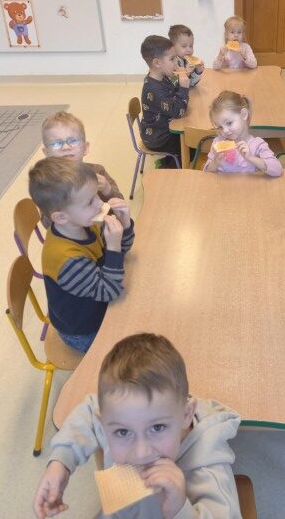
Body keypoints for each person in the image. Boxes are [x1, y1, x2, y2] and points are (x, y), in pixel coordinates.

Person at [33, 332, 242, 519]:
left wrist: (180, 511)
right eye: (123, 432)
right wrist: (61, 463)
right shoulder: (122, 413)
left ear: (186, 415)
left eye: (157, 428)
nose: (141, 453)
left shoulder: (208, 470)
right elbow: (89, 411)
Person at [28, 158, 134, 353]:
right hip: (83, 331)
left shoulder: (85, 223)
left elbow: (122, 253)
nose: (100, 203)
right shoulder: (66, 259)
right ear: (61, 217)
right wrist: (113, 248)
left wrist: (125, 225)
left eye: (97, 196)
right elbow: (109, 292)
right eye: (90, 201)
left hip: (101, 301)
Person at [42, 111, 123, 202]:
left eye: (73, 141)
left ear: (85, 148)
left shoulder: (98, 171)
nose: (66, 147)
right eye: (56, 144)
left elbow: (121, 204)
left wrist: (107, 189)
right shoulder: (45, 183)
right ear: (46, 153)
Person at [203, 90, 282, 177]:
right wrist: (215, 163)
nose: (225, 131)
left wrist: (250, 157)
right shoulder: (218, 142)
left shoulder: (257, 145)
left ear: (244, 115)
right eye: (220, 127)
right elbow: (205, 172)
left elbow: (277, 170)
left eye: (229, 123)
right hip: (221, 185)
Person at [140, 35, 190, 168]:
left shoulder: (161, 76)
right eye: (172, 59)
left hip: (162, 128)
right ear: (157, 63)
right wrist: (184, 88)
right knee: (189, 145)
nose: (176, 63)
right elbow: (179, 112)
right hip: (158, 137)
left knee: (189, 140)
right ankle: (167, 169)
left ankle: (168, 161)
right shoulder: (154, 90)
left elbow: (173, 92)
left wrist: (184, 77)